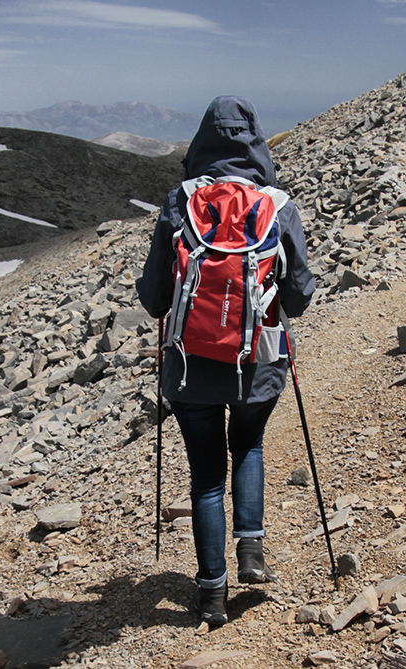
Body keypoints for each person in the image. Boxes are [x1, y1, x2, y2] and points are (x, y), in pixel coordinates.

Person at [136, 96, 315, 627]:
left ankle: (211, 595)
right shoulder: (276, 205)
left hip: (190, 368)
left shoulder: (179, 203)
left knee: (206, 476)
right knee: (250, 444)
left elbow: (153, 298)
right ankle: (251, 551)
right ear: (256, 143)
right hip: (256, 362)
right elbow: (301, 296)